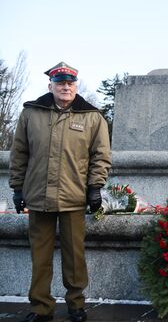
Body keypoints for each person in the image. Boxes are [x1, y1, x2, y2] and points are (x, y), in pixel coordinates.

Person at [9, 62, 111, 322]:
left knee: (74, 256)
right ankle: (41, 307)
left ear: (76, 86)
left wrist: (95, 188)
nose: (66, 87)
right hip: (38, 196)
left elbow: (101, 156)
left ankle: (76, 305)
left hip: (74, 197)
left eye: (70, 83)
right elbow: (19, 153)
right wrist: (18, 188)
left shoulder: (92, 117)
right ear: (50, 86)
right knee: (40, 255)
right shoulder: (31, 114)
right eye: (60, 83)